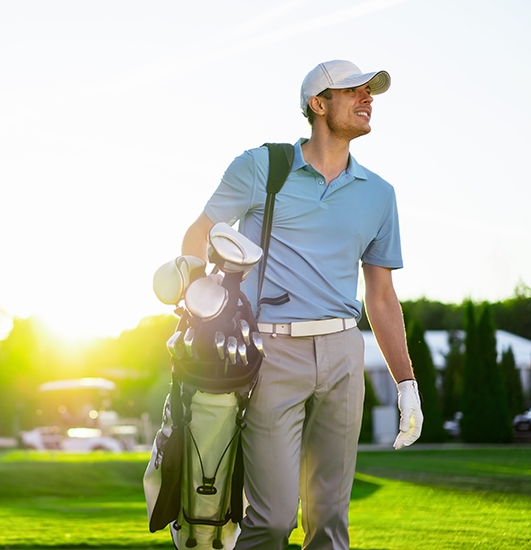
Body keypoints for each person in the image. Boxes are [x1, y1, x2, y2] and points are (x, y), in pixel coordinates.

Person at [180, 60, 423, 550]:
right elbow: (198, 235)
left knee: (330, 521)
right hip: (270, 352)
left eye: (370, 92)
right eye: (353, 91)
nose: (367, 98)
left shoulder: (380, 194)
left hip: (343, 353)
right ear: (318, 104)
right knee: (271, 519)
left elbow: (380, 295)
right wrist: (200, 305)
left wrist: (406, 383)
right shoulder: (261, 167)